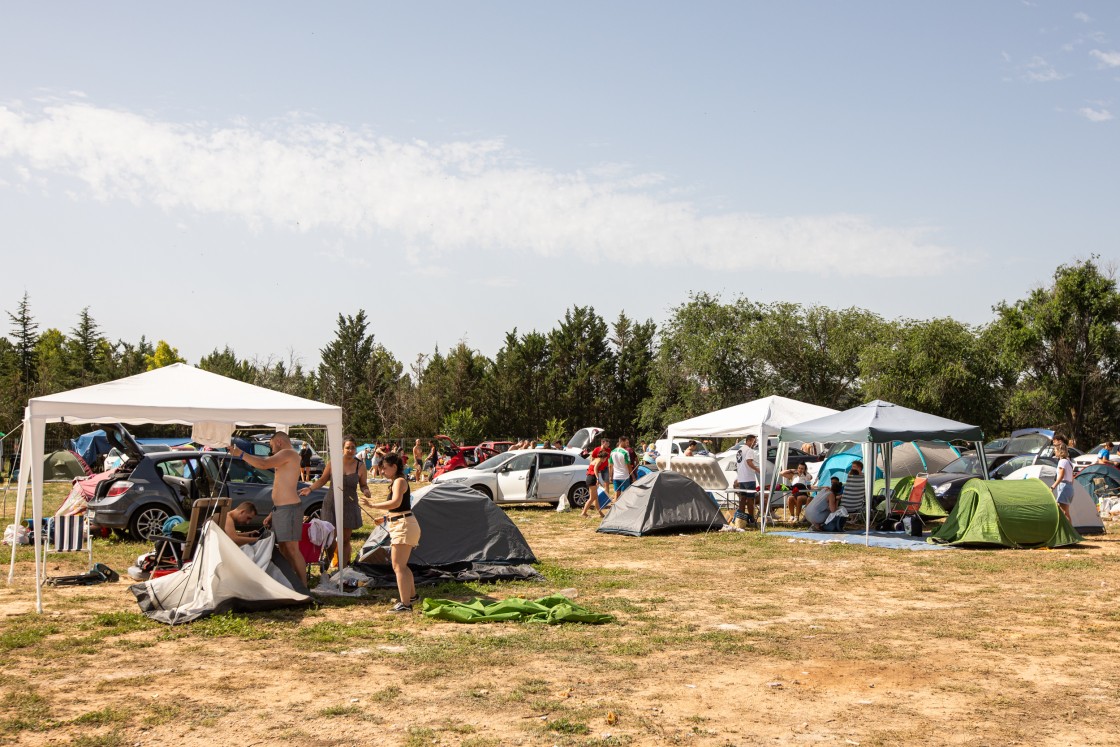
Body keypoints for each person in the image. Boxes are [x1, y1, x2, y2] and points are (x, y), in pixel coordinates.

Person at [229, 432, 306, 580]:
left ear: (278, 442)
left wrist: (240, 454)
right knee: (283, 548)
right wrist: (273, 512)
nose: (271, 451)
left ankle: (303, 587)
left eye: (271, 446)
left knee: (292, 549)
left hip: (289, 508)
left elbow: (263, 464)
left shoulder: (288, 453)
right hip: (281, 508)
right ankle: (291, 580)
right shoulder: (287, 456)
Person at [300, 436, 371, 566]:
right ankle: (328, 560)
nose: (350, 450)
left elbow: (363, 484)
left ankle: (343, 569)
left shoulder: (360, 466)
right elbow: (322, 480)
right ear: (342, 449)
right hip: (331, 502)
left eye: (353, 447)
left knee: (345, 540)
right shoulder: (333, 463)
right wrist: (310, 489)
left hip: (349, 504)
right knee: (330, 537)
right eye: (347, 447)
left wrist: (366, 490)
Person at [367, 453, 420, 613]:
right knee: (402, 566)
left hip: (404, 526)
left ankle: (405, 605)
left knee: (398, 566)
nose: (382, 471)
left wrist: (374, 505)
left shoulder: (399, 481)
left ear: (394, 467)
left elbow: (396, 502)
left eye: (384, 468)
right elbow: (400, 507)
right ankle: (411, 597)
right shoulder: (397, 481)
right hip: (402, 524)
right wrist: (384, 518)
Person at [734, 434, 761, 528]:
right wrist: (757, 469)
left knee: (742, 499)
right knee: (750, 499)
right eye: (754, 441)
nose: (755, 443)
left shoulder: (740, 450)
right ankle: (751, 519)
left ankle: (741, 518)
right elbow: (749, 462)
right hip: (749, 478)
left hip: (741, 478)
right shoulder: (749, 450)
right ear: (749, 441)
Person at [581, 437, 612, 518]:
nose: (606, 460)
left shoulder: (598, 459)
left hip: (591, 477)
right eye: (606, 459)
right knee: (592, 498)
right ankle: (584, 512)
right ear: (604, 457)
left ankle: (600, 514)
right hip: (591, 478)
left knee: (596, 498)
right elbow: (595, 469)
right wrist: (598, 478)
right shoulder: (599, 460)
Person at [1051, 442, 1075, 521]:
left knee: (1063, 513)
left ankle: (1069, 532)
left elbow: (1061, 476)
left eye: (1055, 450)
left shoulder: (1062, 462)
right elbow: (1072, 478)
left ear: (1059, 451)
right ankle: (1071, 532)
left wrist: (1052, 487)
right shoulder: (1069, 462)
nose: (1054, 452)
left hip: (1064, 487)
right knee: (1066, 513)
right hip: (1069, 487)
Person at [610, 436, 634, 501]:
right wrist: (633, 477)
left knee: (617, 495)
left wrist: (610, 476)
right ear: (622, 442)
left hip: (616, 477)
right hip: (624, 476)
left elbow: (610, 465)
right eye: (626, 442)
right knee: (625, 495)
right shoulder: (625, 452)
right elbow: (628, 465)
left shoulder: (612, 452)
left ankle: (616, 509)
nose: (627, 444)